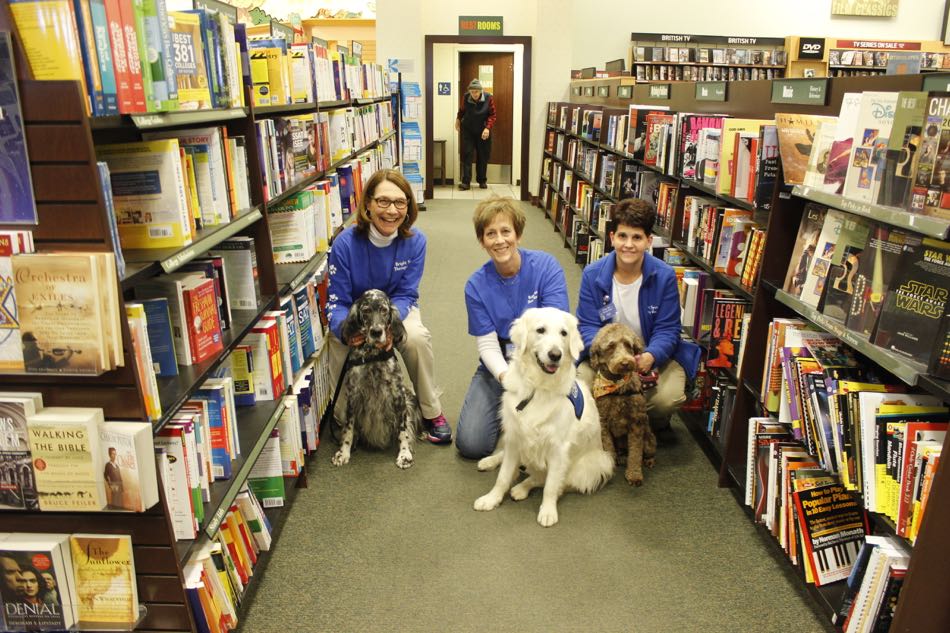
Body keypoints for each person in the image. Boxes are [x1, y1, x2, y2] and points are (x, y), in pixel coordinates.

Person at [327, 168, 452, 444]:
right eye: (383, 201)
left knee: (417, 338)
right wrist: (346, 331)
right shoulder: (344, 244)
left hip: (395, 309)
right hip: (355, 313)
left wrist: (390, 327)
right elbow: (336, 301)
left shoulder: (416, 241)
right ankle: (343, 413)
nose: (391, 211)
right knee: (337, 342)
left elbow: (407, 293)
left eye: (400, 202)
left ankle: (431, 411)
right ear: (368, 204)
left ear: (408, 207)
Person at [455, 197, 569, 459]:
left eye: (506, 231)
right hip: (502, 370)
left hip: (546, 368)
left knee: (550, 436)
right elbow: (486, 345)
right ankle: (512, 427)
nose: (500, 240)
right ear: (482, 241)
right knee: (471, 444)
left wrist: (536, 376)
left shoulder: (546, 268)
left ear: (518, 233)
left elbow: (557, 328)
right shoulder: (475, 286)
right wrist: (508, 378)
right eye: (490, 234)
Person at [576, 199, 701, 429]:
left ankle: (647, 420)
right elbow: (587, 327)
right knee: (579, 389)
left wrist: (651, 356)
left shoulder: (664, 276)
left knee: (667, 399)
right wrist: (608, 359)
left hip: (648, 358)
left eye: (637, 237)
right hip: (606, 358)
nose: (628, 245)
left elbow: (668, 329)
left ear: (649, 241)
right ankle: (612, 419)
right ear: (612, 237)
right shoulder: (592, 275)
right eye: (622, 236)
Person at [455, 78, 496, 190]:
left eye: (476, 92)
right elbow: (462, 111)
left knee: (483, 155)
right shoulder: (466, 97)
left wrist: (488, 128)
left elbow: (492, 115)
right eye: (472, 92)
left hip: (483, 131)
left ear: (481, 91)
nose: (474, 94)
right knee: (467, 154)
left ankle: (482, 180)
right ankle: (466, 182)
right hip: (468, 130)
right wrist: (458, 120)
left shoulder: (488, 98)